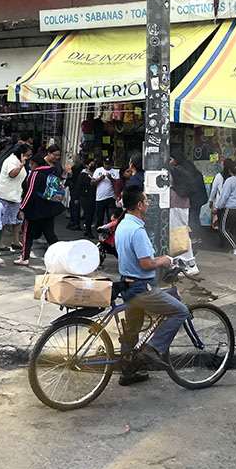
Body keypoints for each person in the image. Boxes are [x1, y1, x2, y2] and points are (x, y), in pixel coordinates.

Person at [115, 186, 191, 386]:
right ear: (139, 205)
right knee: (180, 311)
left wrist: (158, 259)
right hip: (142, 288)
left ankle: (128, 372)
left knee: (132, 330)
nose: (148, 204)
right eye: (147, 201)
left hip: (127, 285)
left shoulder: (123, 225)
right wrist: (164, 261)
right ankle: (153, 349)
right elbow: (146, 264)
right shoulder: (137, 230)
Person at [16, 150, 64, 265]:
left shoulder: (35, 174)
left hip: (35, 209)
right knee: (49, 233)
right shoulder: (52, 171)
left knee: (28, 235)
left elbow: (30, 192)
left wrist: (22, 208)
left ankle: (24, 258)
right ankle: (61, 256)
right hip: (50, 207)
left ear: (34, 164)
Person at [0, 143, 32, 252]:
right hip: (6, 195)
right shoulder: (12, 160)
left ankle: (15, 241)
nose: (29, 157)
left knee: (17, 220)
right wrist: (21, 165)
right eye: (27, 155)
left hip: (15, 195)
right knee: (3, 220)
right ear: (21, 154)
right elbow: (12, 174)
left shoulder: (18, 161)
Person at [217, 160, 236, 255]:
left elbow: (224, 195)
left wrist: (218, 206)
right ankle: (233, 248)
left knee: (223, 229)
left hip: (232, 208)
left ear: (229, 171)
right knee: (230, 229)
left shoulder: (230, 181)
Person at [91, 157, 119, 230]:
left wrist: (111, 178)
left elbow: (117, 184)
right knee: (100, 217)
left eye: (109, 164)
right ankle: (100, 231)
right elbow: (92, 182)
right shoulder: (98, 170)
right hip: (100, 197)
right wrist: (99, 179)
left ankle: (110, 232)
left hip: (110, 197)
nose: (107, 166)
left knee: (110, 216)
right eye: (106, 164)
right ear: (103, 163)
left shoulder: (115, 172)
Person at [69, 158, 93, 233]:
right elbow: (78, 186)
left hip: (93, 196)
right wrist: (76, 197)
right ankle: (83, 227)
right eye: (91, 165)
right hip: (84, 195)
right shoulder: (82, 174)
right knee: (85, 211)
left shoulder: (97, 173)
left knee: (90, 212)